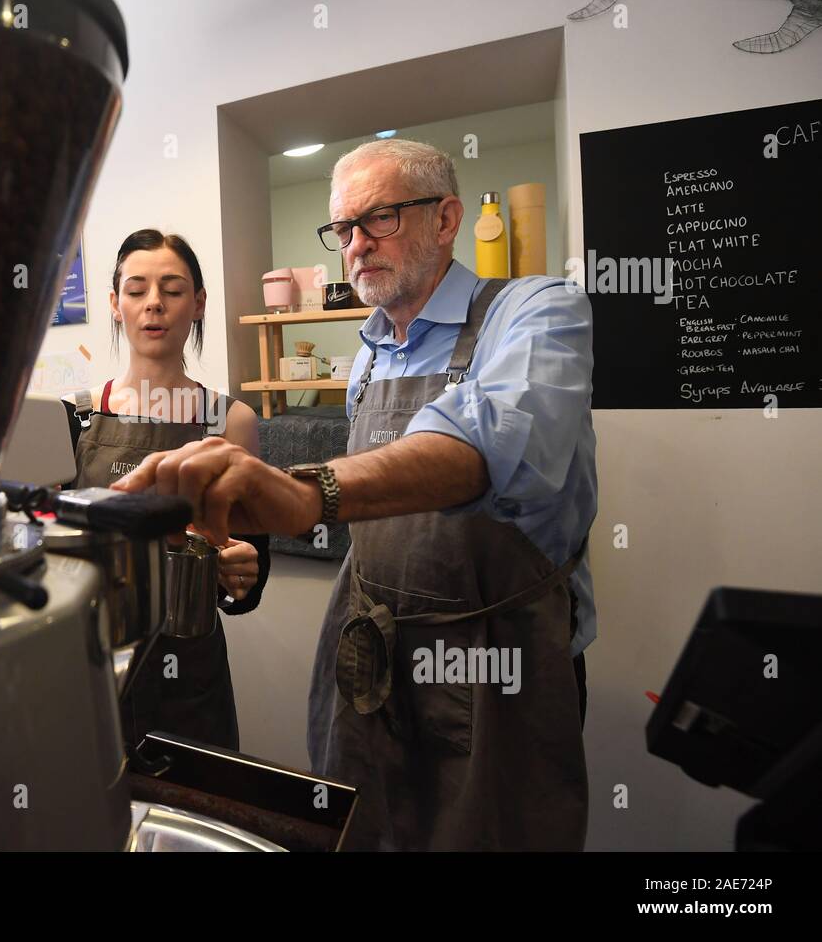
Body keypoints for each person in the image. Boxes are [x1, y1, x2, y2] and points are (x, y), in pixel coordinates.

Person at [113, 139, 597, 850]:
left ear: (446, 217)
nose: (356, 245)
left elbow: (491, 444)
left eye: (379, 219)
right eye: (342, 229)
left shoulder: (536, 310)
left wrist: (313, 491)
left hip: (498, 668)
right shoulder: (372, 347)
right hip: (376, 661)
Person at [65, 228, 270, 752]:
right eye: (136, 290)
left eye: (172, 290)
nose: (153, 304)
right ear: (115, 304)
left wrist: (241, 570)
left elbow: (248, 566)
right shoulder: (75, 416)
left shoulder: (231, 421)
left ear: (198, 303)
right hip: (86, 658)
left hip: (188, 667)